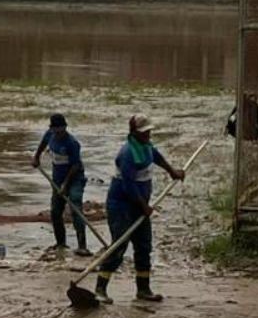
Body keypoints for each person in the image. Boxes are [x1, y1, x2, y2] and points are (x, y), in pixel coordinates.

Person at [97, 115, 185, 305]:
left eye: (149, 131)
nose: (148, 134)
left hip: (140, 206)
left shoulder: (146, 147)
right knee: (119, 246)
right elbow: (128, 186)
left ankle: (143, 289)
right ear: (134, 132)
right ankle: (100, 288)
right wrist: (144, 206)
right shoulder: (127, 154)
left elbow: (157, 157)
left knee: (144, 246)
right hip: (122, 205)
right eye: (144, 131)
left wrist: (172, 172)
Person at [32, 112, 89, 257]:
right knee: (55, 211)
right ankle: (60, 243)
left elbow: (75, 166)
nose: (58, 132)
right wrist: (36, 157)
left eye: (61, 129)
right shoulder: (49, 135)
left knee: (75, 206)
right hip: (57, 178)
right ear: (52, 129)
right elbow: (43, 144)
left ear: (65, 127)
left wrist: (65, 185)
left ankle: (82, 245)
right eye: (55, 129)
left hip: (75, 178)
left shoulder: (72, 143)